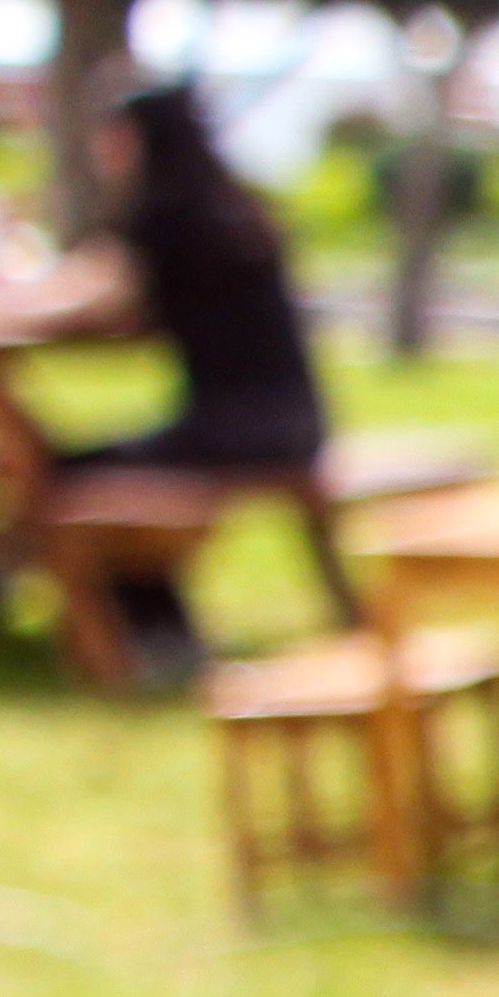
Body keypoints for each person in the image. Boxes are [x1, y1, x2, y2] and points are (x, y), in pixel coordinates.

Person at [51, 81, 332, 685]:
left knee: (73, 473)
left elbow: (83, 298)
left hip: (235, 430)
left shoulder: (164, 214)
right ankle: (162, 629)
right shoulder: (233, 206)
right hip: (298, 421)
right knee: (108, 464)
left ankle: (155, 635)